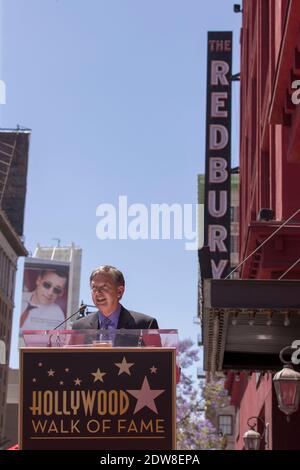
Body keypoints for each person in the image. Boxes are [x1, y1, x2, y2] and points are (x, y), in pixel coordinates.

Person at [72, 265, 159, 330]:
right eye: (94, 288)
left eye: (104, 287)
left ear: (119, 292)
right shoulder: (79, 328)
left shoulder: (146, 326)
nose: (98, 292)